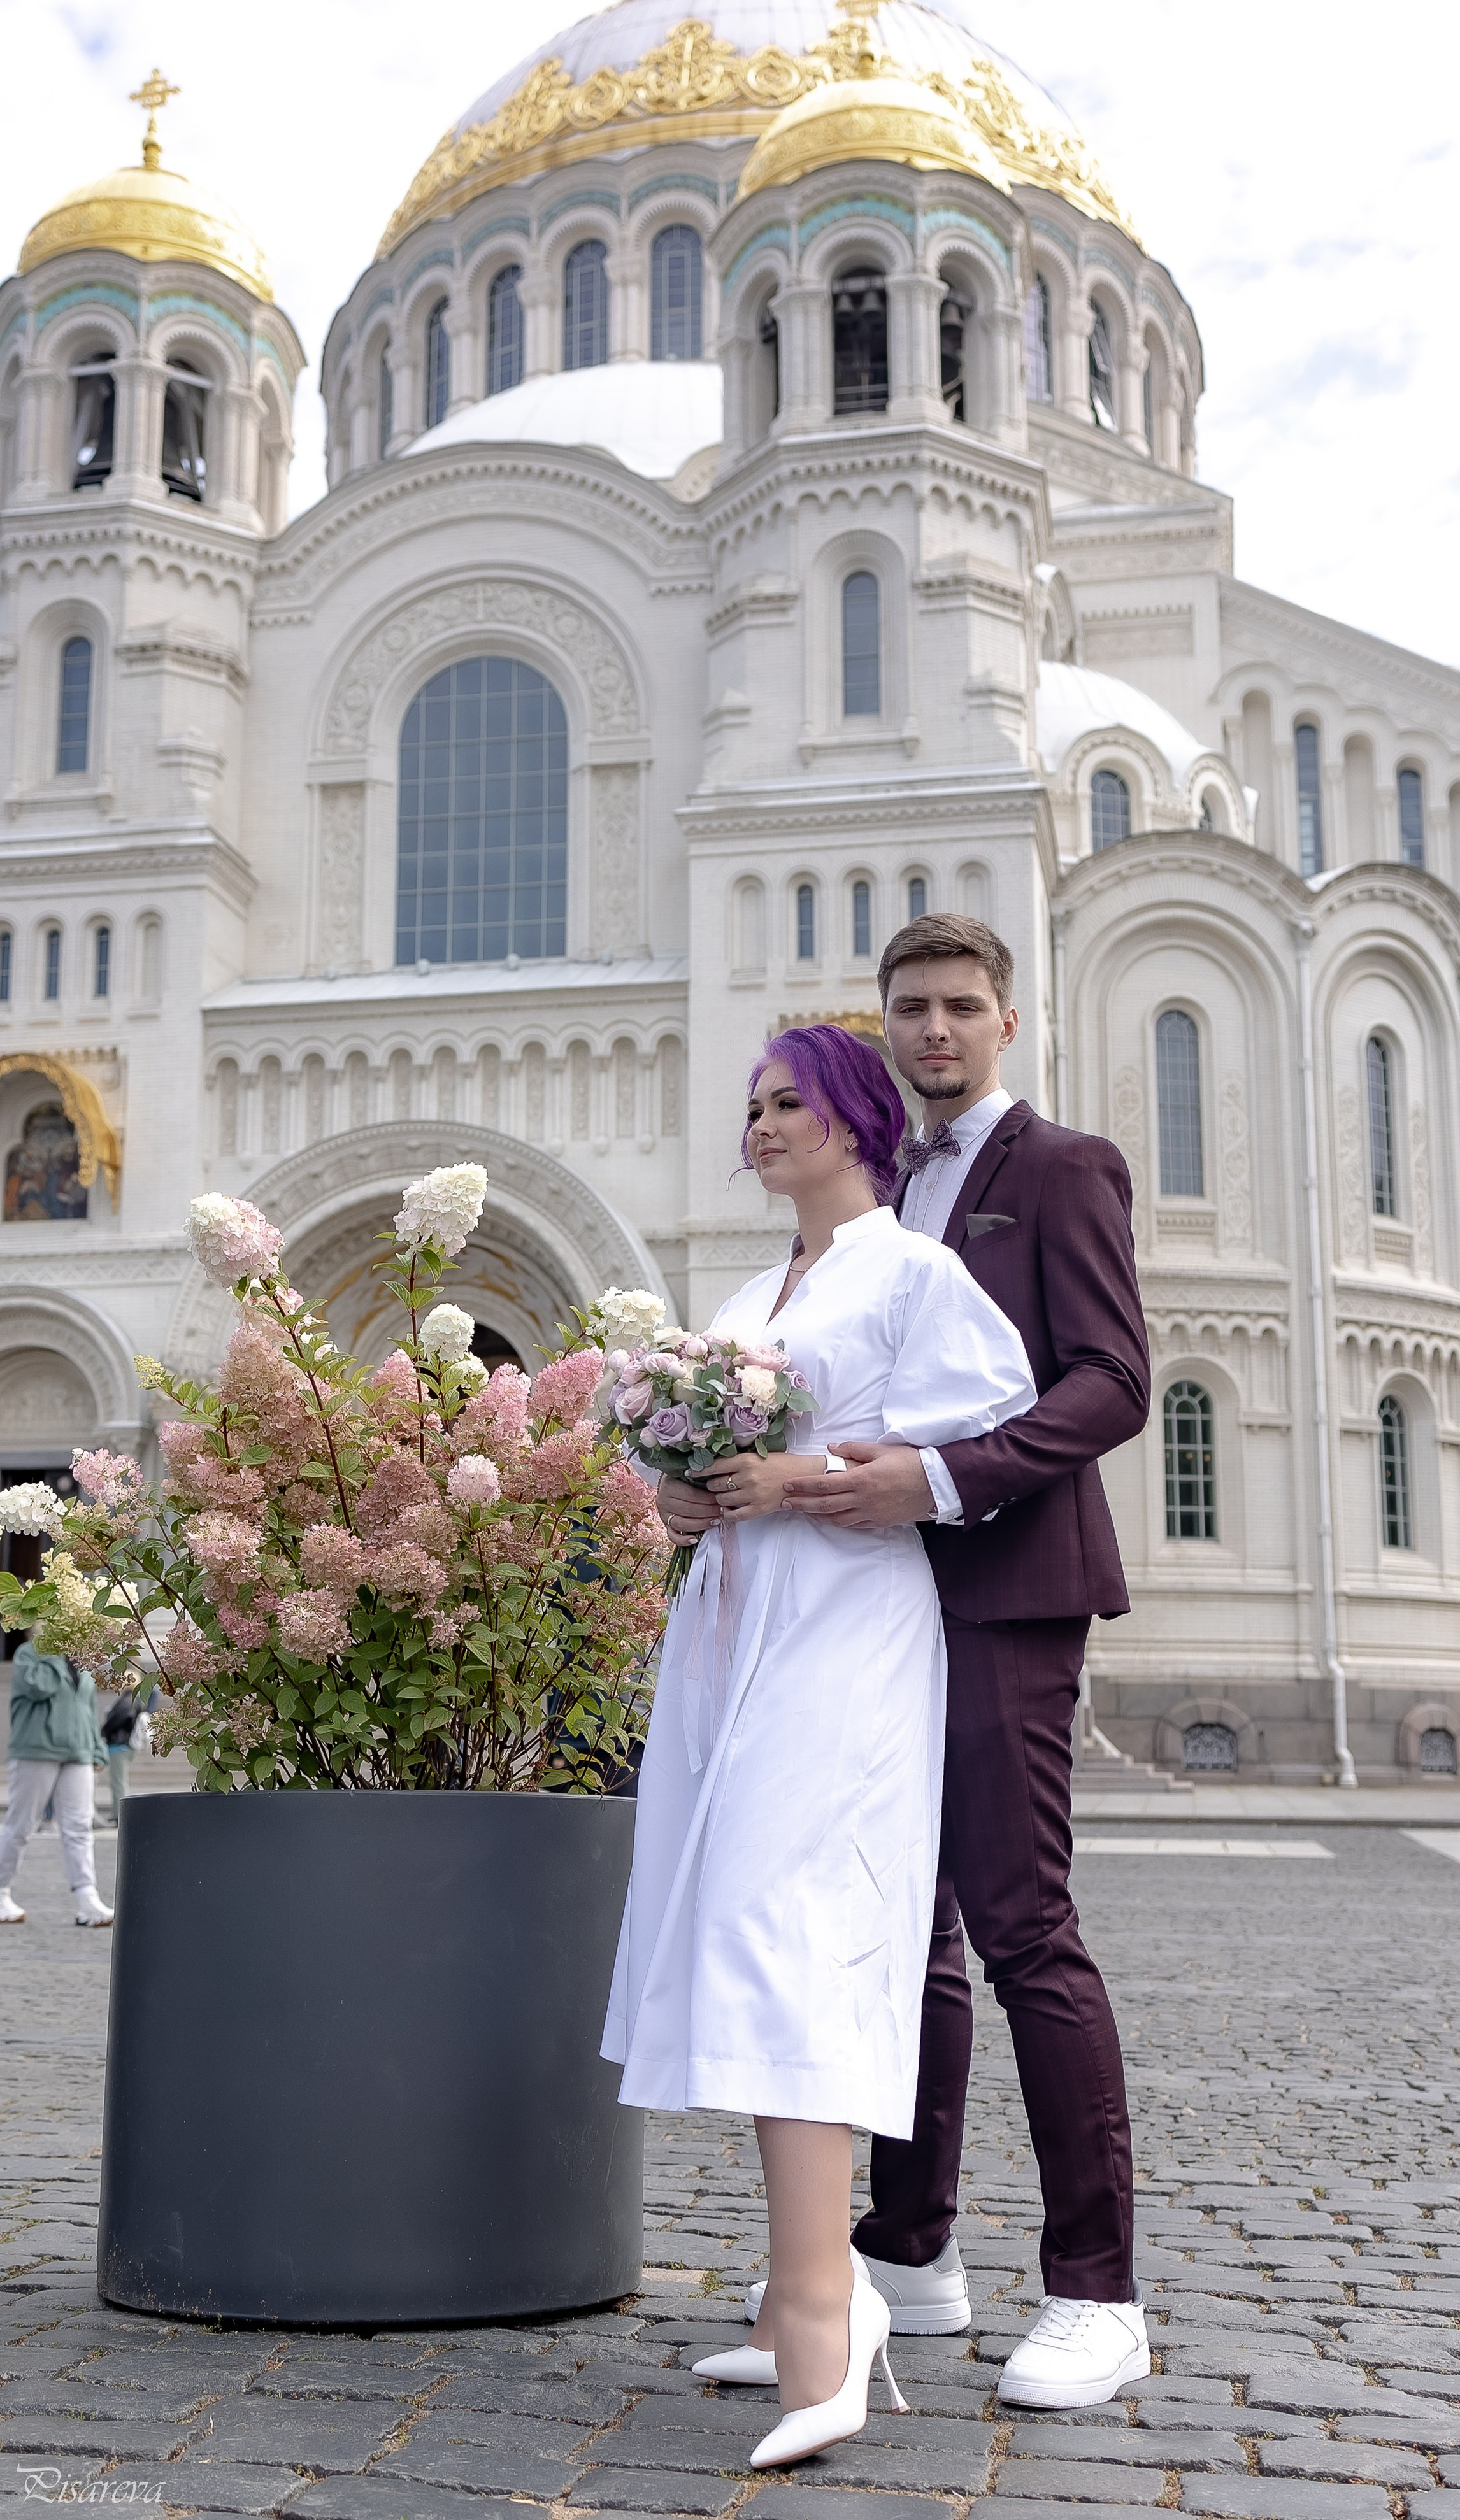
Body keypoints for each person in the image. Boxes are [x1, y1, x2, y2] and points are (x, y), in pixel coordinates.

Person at [605, 1025, 1036, 2468]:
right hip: (734, 1625)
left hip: (846, 1625)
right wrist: (680, 1501)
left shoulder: (913, 1274)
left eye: (790, 1099)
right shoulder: (743, 1294)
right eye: (753, 1104)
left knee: (790, 1930)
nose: (765, 1121)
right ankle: (823, 2282)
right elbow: (677, 1475)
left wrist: (807, 1475)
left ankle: (818, 2304)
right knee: (733, 1926)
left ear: (857, 1119)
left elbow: (987, 1433)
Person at [766, 913, 1153, 2410]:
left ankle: (1097, 2292)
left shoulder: (1057, 1169)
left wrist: (935, 1478)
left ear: (1005, 1023)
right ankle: (907, 2253)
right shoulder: (867, 1191)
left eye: (956, 1008)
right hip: (868, 1601)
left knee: (1020, 1928)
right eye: (907, 1009)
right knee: (900, 1938)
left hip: (1000, 1585)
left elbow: (1111, 1382)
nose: (931, 1030)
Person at [0, 1639, 113, 1926]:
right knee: (21, 1824)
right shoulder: (28, 1653)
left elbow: (87, 1705)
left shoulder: (82, 1655)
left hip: (78, 1751)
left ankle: (87, 1899)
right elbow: (37, 1687)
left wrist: (96, 1747)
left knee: (80, 1827)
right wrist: (52, 1653)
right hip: (36, 1749)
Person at [100, 1682, 154, 1825]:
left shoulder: (127, 1700)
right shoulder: (134, 1699)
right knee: (119, 1781)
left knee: (118, 1782)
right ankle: (117, 1813)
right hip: (124, 1745)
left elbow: (119, 1718)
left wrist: (104, 1731)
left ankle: (121, 1815)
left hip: (119, 1745)